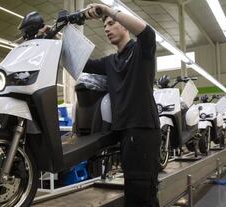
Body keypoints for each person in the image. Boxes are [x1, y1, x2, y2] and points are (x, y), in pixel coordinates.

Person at [83, 4, 161, 206]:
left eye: (111, 24)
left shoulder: (141, 50)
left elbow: (147, 31)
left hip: (142, 130)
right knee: (133, 194)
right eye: (104, 26)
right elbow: (82, 62)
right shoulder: (110, 62)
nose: (107, 28)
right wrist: (55, 38)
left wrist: (108, 9)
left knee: (143, 195)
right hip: (125, 132)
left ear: (125, 26)